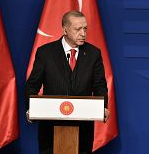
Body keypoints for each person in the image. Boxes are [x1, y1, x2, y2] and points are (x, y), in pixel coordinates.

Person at [25, 11, 109, 154]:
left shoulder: (94, 53)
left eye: (85, 28)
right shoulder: (45, 53)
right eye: (78, 29)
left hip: (83, 131)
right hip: (50, 130)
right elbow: (32, 85)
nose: (83, 33)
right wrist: (31, 108)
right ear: (65, 30)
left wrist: (103, 107)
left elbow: (100, 85)